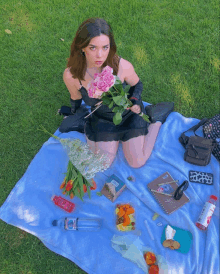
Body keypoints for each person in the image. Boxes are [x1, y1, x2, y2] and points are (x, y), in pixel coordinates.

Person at [63, 17, 174, 168]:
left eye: (105, 47)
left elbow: (137, 85)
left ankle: (156, 117)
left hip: (128, 114)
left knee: (137, 162)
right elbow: (75, 97)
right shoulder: (71, 75)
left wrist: (134, 101)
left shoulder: (121, 66)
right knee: (102, 165)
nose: (100, 55)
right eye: (93, 47)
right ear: (82, 47)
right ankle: (87, 126)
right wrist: (74, 114)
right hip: (102, 118)